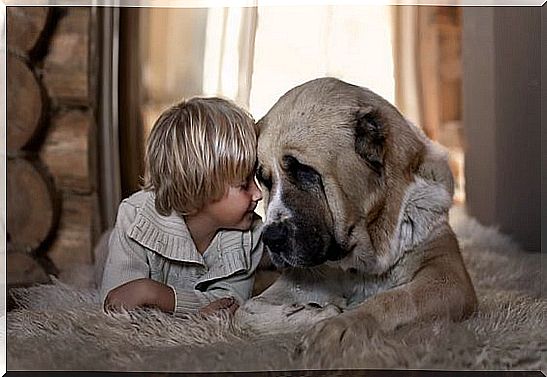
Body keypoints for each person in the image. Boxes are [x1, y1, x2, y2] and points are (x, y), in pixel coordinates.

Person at [100, 97, 263, 316]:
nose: (259, 194)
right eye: (245, 185)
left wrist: (154, 293)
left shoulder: (251, 235)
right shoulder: (134, 216)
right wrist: (198, 308)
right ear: (199, 188)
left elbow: (230, 305)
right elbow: (117, 302)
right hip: (127, 235)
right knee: (103, 253)